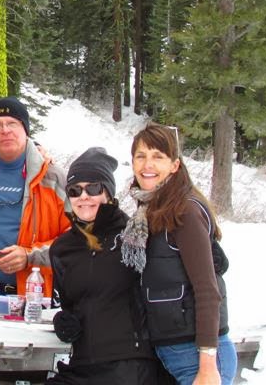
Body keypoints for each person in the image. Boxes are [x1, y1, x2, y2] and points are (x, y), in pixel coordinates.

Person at [122, 123, 236, 385]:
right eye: (141, 156)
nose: (147, 164)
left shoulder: (184, 210)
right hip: (174, 352)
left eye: (157, 157)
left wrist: (207, 365)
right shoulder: (149, 210)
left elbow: (207, 289)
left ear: (174, 165)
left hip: (198, 358)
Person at [46, 147, 159, 385]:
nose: (83, 196)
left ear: (108, 192)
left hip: (131, 363)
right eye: (75, 191)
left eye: (93, 188)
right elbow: (68, 305)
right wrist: (64, 322)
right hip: (82, 365)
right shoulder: (62, 249)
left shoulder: (136, 236)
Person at [0, 97, 68, 297]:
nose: (5, 130)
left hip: (37, 294)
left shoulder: (52, 178)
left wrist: (30, 256)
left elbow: (76, 238)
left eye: (12, 123)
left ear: (25, 130)